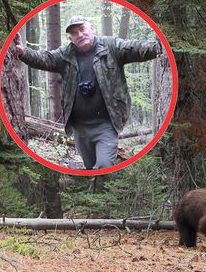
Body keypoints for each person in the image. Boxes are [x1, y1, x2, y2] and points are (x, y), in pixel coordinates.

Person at [14, 15, 162, 170]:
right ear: (71, 38)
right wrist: (23, 52)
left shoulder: (111, 47)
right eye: (74, 33)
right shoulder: (65, 54)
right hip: (80, 128)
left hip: (106, 125)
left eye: (82, 29)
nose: (80, 34)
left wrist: (158, 48)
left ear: (92, 28)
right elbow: (44, 58)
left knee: (104, 165)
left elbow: (134, 48)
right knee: (90, 168)